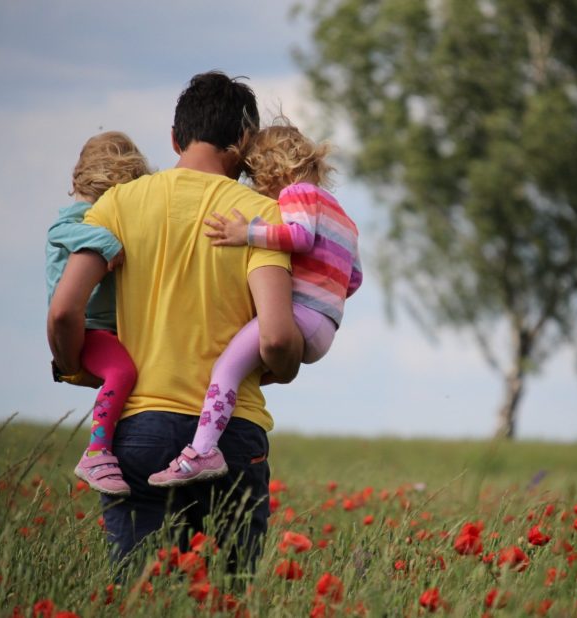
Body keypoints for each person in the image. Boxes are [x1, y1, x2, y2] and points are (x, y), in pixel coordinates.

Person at [47, 71, 304, 573]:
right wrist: (287, 363)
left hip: (138, 430)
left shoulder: (117, 204)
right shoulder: (261, 217)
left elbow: (63, 310)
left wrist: (73, 364)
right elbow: (275, 337)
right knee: (227, 598)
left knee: (141, 595)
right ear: (245, 142)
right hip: (231, 435)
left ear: (174, 138)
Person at [147, 120, 362, 487]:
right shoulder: (343, 216)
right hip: (326, 326)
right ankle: (212, 435)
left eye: (256, 177)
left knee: (226, 368)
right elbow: (353, 278)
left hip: (300, 316)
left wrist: (245, 233)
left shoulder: (297, 195)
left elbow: (299, 237)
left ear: (274, 170)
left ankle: (202, 451)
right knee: (244, 370)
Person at [46, 131, 150, 496]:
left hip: (106, 328)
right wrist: (107, 242)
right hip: (88, 328)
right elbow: (61, 231)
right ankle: (97, 451)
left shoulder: (96, 214)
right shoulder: (80, 217)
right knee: (122, 371)